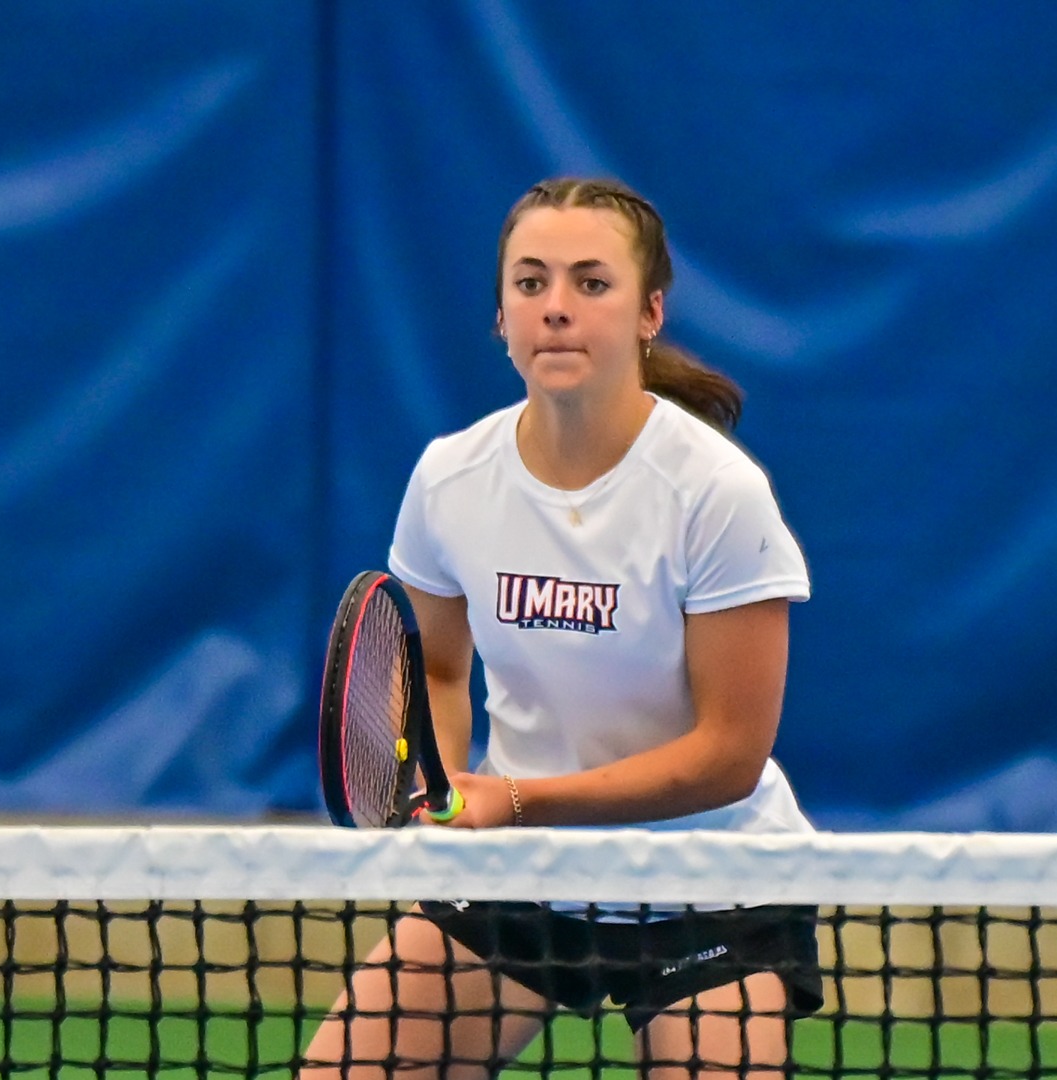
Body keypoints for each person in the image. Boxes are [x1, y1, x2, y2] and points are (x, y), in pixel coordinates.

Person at [301, 177, 822, 1079]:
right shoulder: (449, 479)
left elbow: (728, 754)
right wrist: (444, 780)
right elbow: (439, 671)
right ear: (500, 316)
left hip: (711, 885)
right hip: (525, 872)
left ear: (649, 311)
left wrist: (517, 800)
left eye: (591, 283)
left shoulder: (715, 495)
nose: (556, 309)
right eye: (531, 283)